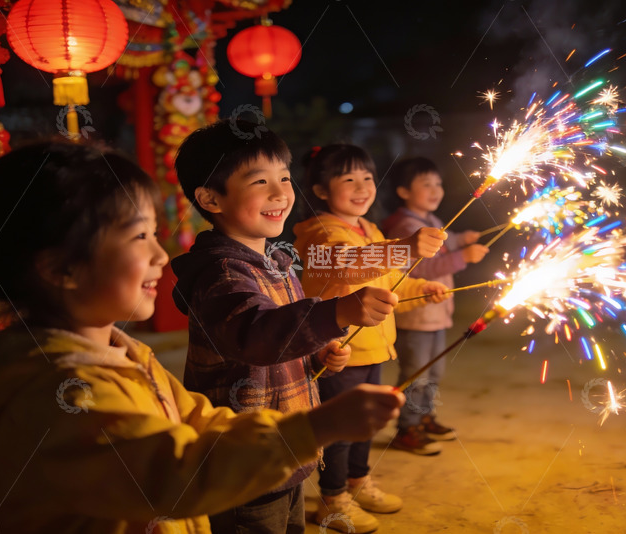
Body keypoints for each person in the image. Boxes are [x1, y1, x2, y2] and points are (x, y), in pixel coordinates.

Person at [0, 142, 405, 534]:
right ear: (60, 268)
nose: (161, 256)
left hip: (265, 454)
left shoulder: (124, 352)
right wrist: (314, 427)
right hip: (244, 472)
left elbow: (196, 418)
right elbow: (174, 476)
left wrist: (305, 415)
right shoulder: (66, 396)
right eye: (137, 237)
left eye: (154, 233)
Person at [172, 120, 400, 534]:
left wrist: (318, 355)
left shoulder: (276, 265)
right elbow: (256, 334)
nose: (280, 193)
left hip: (286, 447)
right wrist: (338, 312)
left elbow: (284, 334)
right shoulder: (221, 274)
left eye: (284, 177)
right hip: (244, 454)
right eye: (260, 181)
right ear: (210, 198)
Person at [292, 144, 449, 533]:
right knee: (339, 430)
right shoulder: (319, 234)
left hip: (374, 349)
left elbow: (388, 281)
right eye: (348, 179)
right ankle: (332, 499)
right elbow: (346, 264)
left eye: (367, 177)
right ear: (321, 190)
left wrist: (421, 289)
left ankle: (358, 481)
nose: (362, 187)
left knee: (366, 424)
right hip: (339, 352)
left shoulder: (370, 230)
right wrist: (405, 247)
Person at [380, 156, 489, 455]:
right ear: (403, 191)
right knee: (416, 374)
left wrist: (461, 240)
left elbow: (443, 241)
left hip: (436, 315)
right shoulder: (406, 225)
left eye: (438, 183)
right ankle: (407, 428)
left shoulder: (432, 220)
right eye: (426, 184)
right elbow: (422, 268)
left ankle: (424, 417)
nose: (435, 190)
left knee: (434, 372)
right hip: (416, 316)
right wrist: (463, 257)